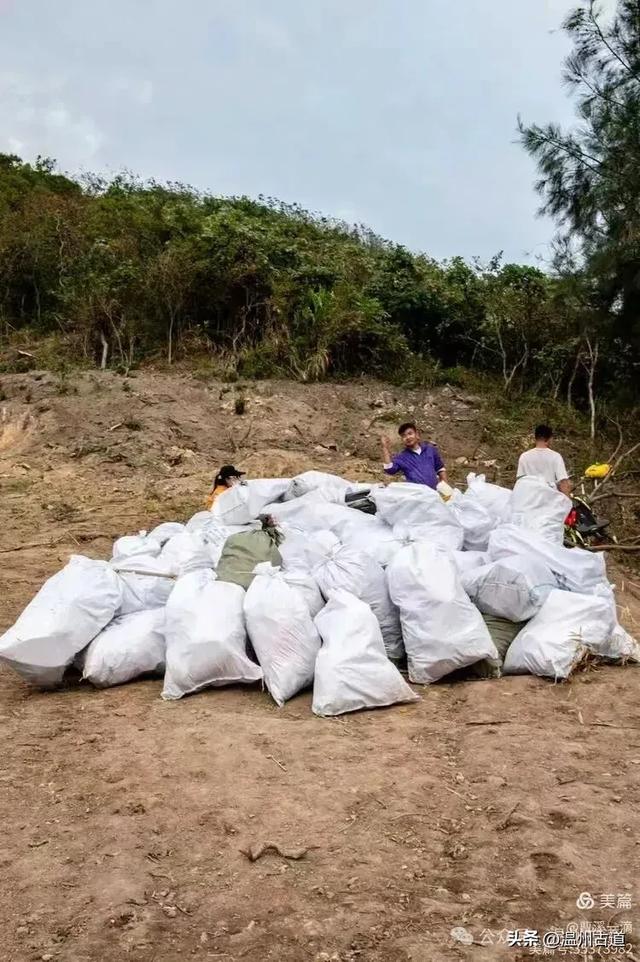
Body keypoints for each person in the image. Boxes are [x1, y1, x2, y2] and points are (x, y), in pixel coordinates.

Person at [381, 422, 448, 490]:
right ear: (402, 440)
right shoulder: (402, 457)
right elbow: (389, 469)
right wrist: (385, 448)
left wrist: (445, 488)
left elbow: (440, 468)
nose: (408, 437)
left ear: (417, 434)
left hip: (434, 493)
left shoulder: (429, 449)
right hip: (416, 495)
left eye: (410, 433)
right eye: (404, 436)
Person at [516, 425, 571, 495]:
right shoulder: (555, 457)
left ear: (535, 438)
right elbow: (563, 483)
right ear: (550, 438)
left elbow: (520, 481)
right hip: (549, 498)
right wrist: (567, 500)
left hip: (530, 498)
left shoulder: (524, 456)